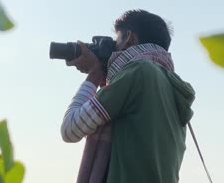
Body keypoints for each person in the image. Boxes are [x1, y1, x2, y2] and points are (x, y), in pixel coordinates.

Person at [60, 10, 195, 183]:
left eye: (116, 42)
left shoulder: (138, 72)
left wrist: (94, 74)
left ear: (129, 39)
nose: (113, 50)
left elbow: (70, 129)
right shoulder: (173, 87)